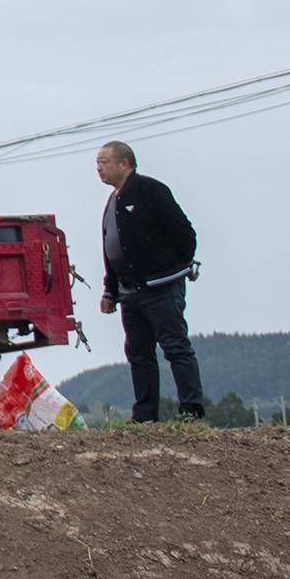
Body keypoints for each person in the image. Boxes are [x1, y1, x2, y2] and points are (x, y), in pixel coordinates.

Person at [96, 140, 206, 422]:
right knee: (138, 353)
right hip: (129, 291)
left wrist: (172, 268)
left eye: (104, 161)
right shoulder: (112, 201)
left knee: (174, 345)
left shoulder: (149, 190)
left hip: (161, 287)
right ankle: (145, 414)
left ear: (125, 163)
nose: (99, 168)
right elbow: (111, 250)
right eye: (97, 163)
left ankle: (190, 409)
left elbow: (184, 234)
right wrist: (110, 290)